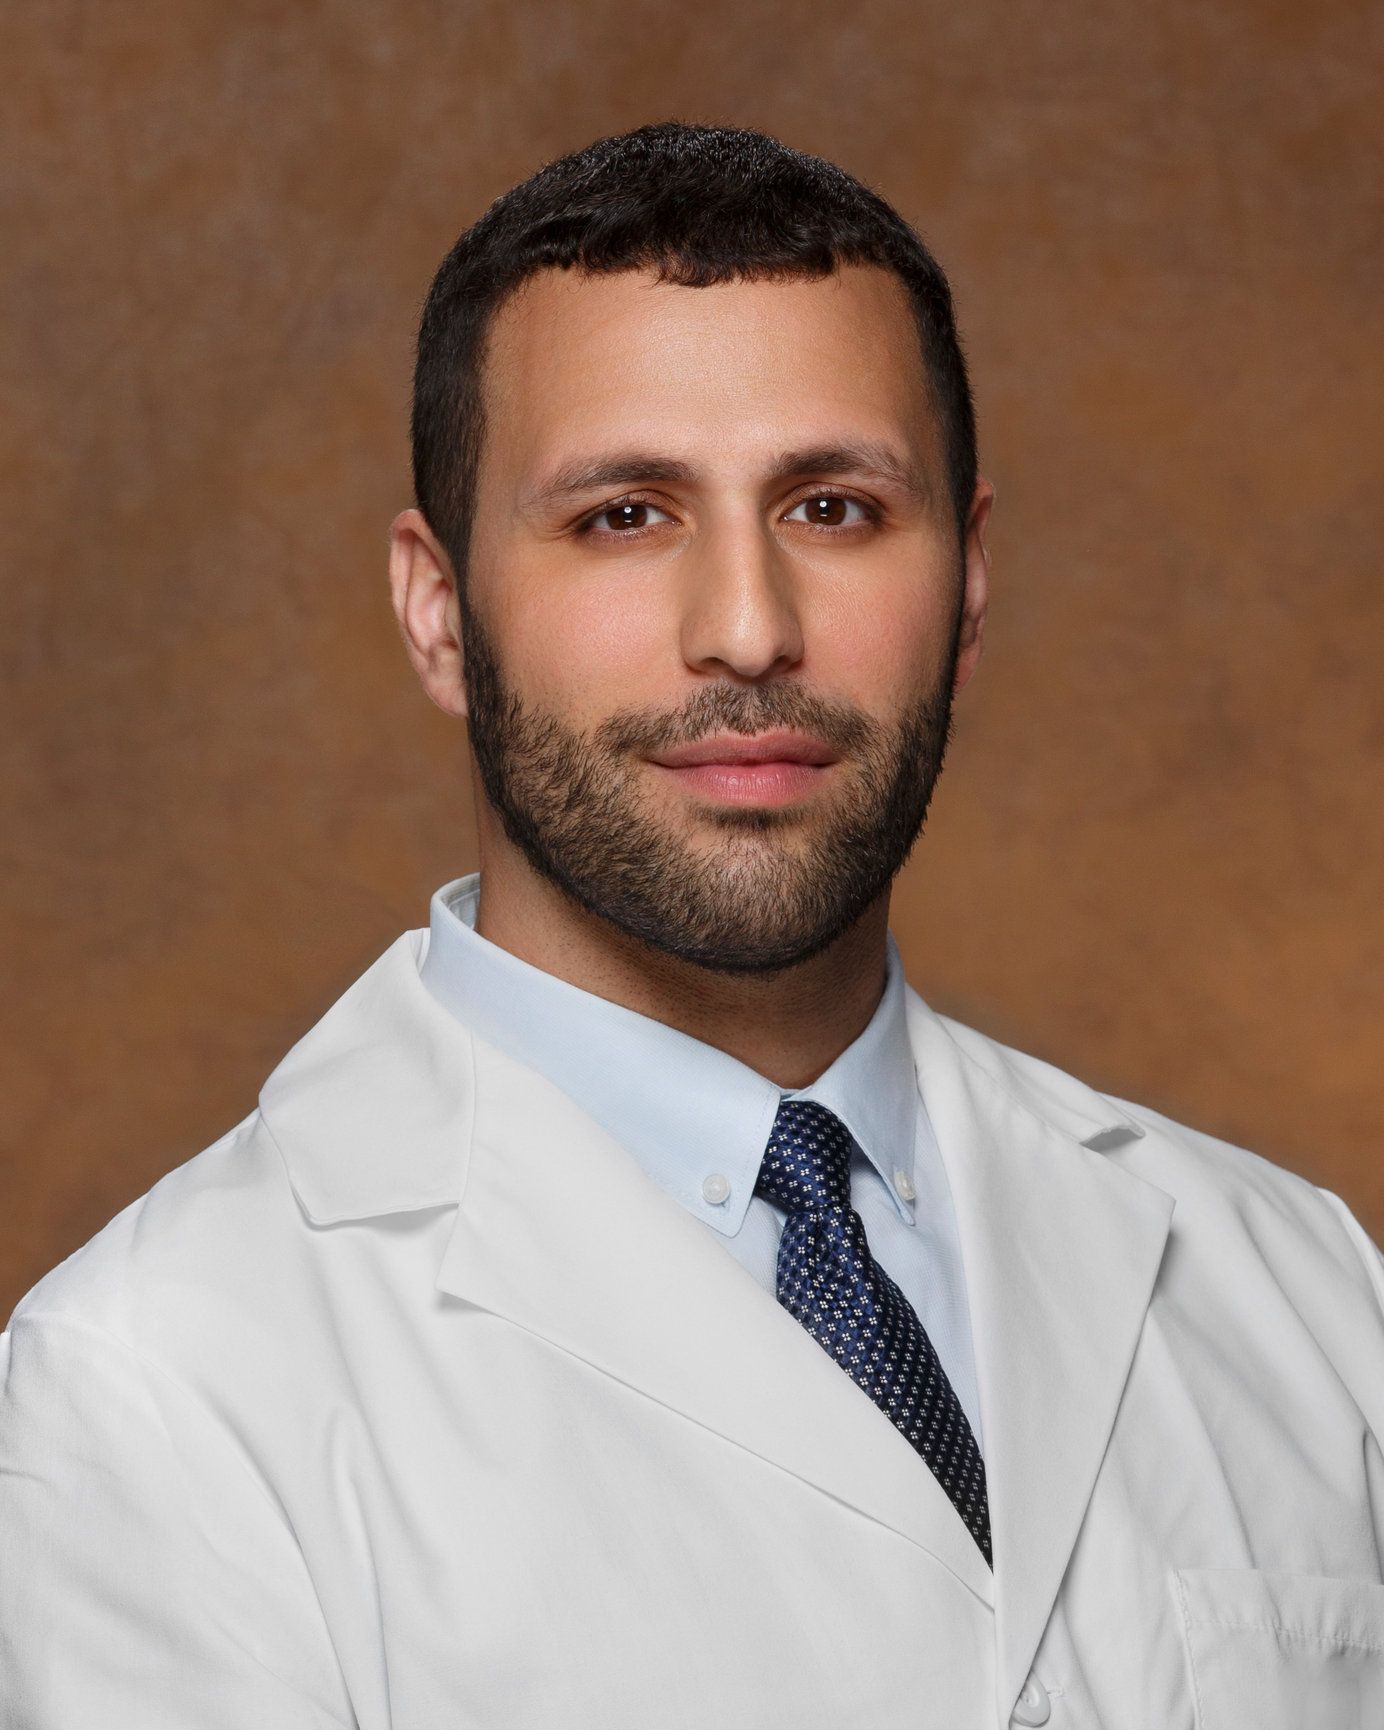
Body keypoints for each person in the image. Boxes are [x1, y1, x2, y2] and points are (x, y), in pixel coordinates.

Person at [2, 120, 1381, 1730]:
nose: (748, 629)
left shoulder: (1304, 1284)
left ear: (975, 582)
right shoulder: (159, 1388)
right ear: (438, 609)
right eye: (624, 515)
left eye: (836, 507)